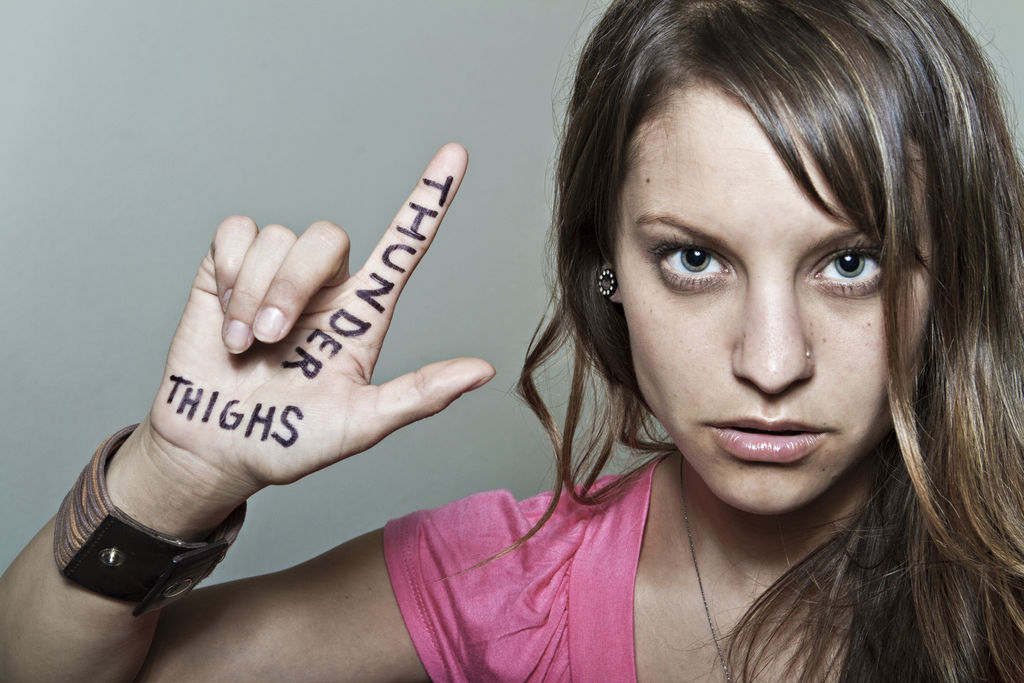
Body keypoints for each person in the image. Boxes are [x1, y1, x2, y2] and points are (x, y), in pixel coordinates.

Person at [2, 0, 1023, 679]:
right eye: (693, 258)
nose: (769, 361)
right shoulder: (509, 578)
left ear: (954, 272)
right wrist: (170, 479)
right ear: (606, 269)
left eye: (850, 264)